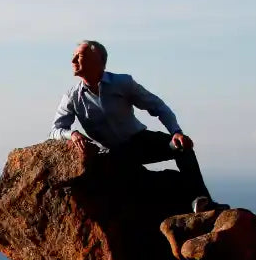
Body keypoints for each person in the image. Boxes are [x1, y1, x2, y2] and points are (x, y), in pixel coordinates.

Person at [50, 40, 217, 211]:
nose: (73, 61)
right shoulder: (72, 96)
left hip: (140, 142)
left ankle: (201, 201)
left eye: (80, 56)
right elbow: (56, 130)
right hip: (112, 154)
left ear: (99, 61)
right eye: (73, 56)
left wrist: (176, 131)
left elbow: (158, 106)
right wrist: (72, 134)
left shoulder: (122, 83)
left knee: (181, 146)